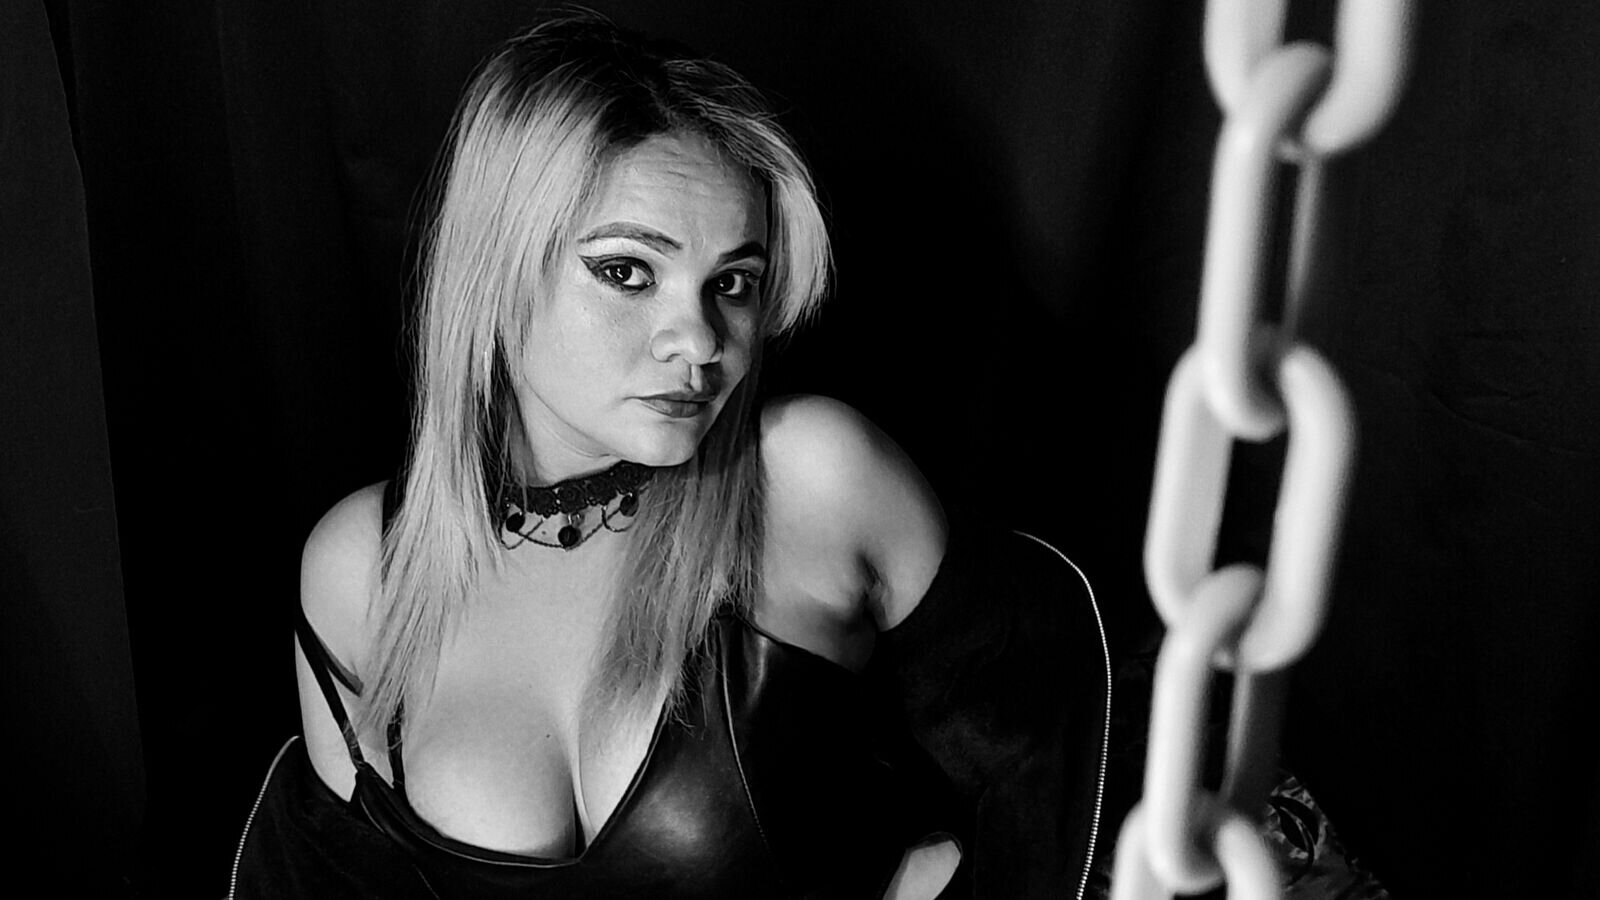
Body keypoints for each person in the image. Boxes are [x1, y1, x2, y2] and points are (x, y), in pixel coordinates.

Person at [231, 11, 963, 898]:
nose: (700, 341)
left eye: (733, 283)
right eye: (626, 272)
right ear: (497, 274)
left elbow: (1062, 786)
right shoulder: (365, 567)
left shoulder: (810, 478)